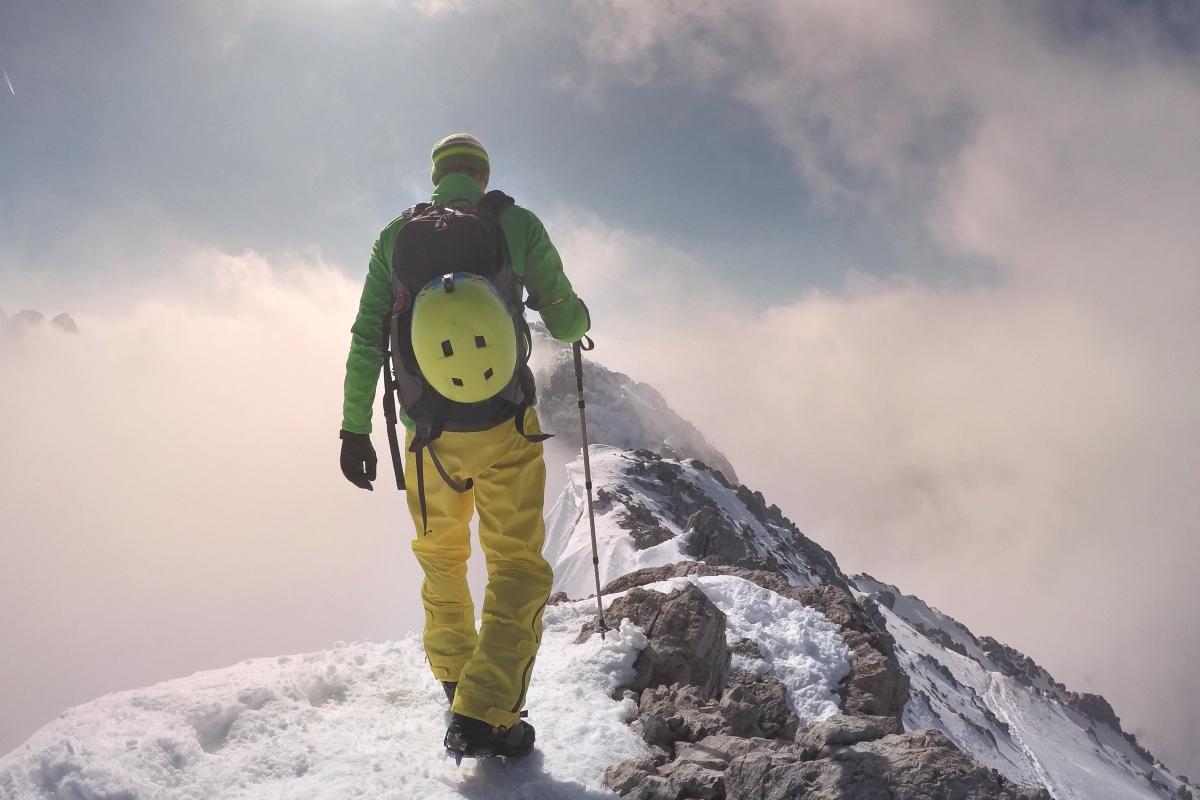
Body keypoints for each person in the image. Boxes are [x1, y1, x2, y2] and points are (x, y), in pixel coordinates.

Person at [338, 133, 589, 758]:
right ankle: (487, 712)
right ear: (481, 175)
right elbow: (565, 318)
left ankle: (457, 682)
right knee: (515, 567)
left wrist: (353, 429)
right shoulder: (517, 224)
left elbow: (368, 336)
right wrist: (576, 320)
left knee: (441, 558)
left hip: (427, 434)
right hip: (507, 427)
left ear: (437, 177)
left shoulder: (396, 236)